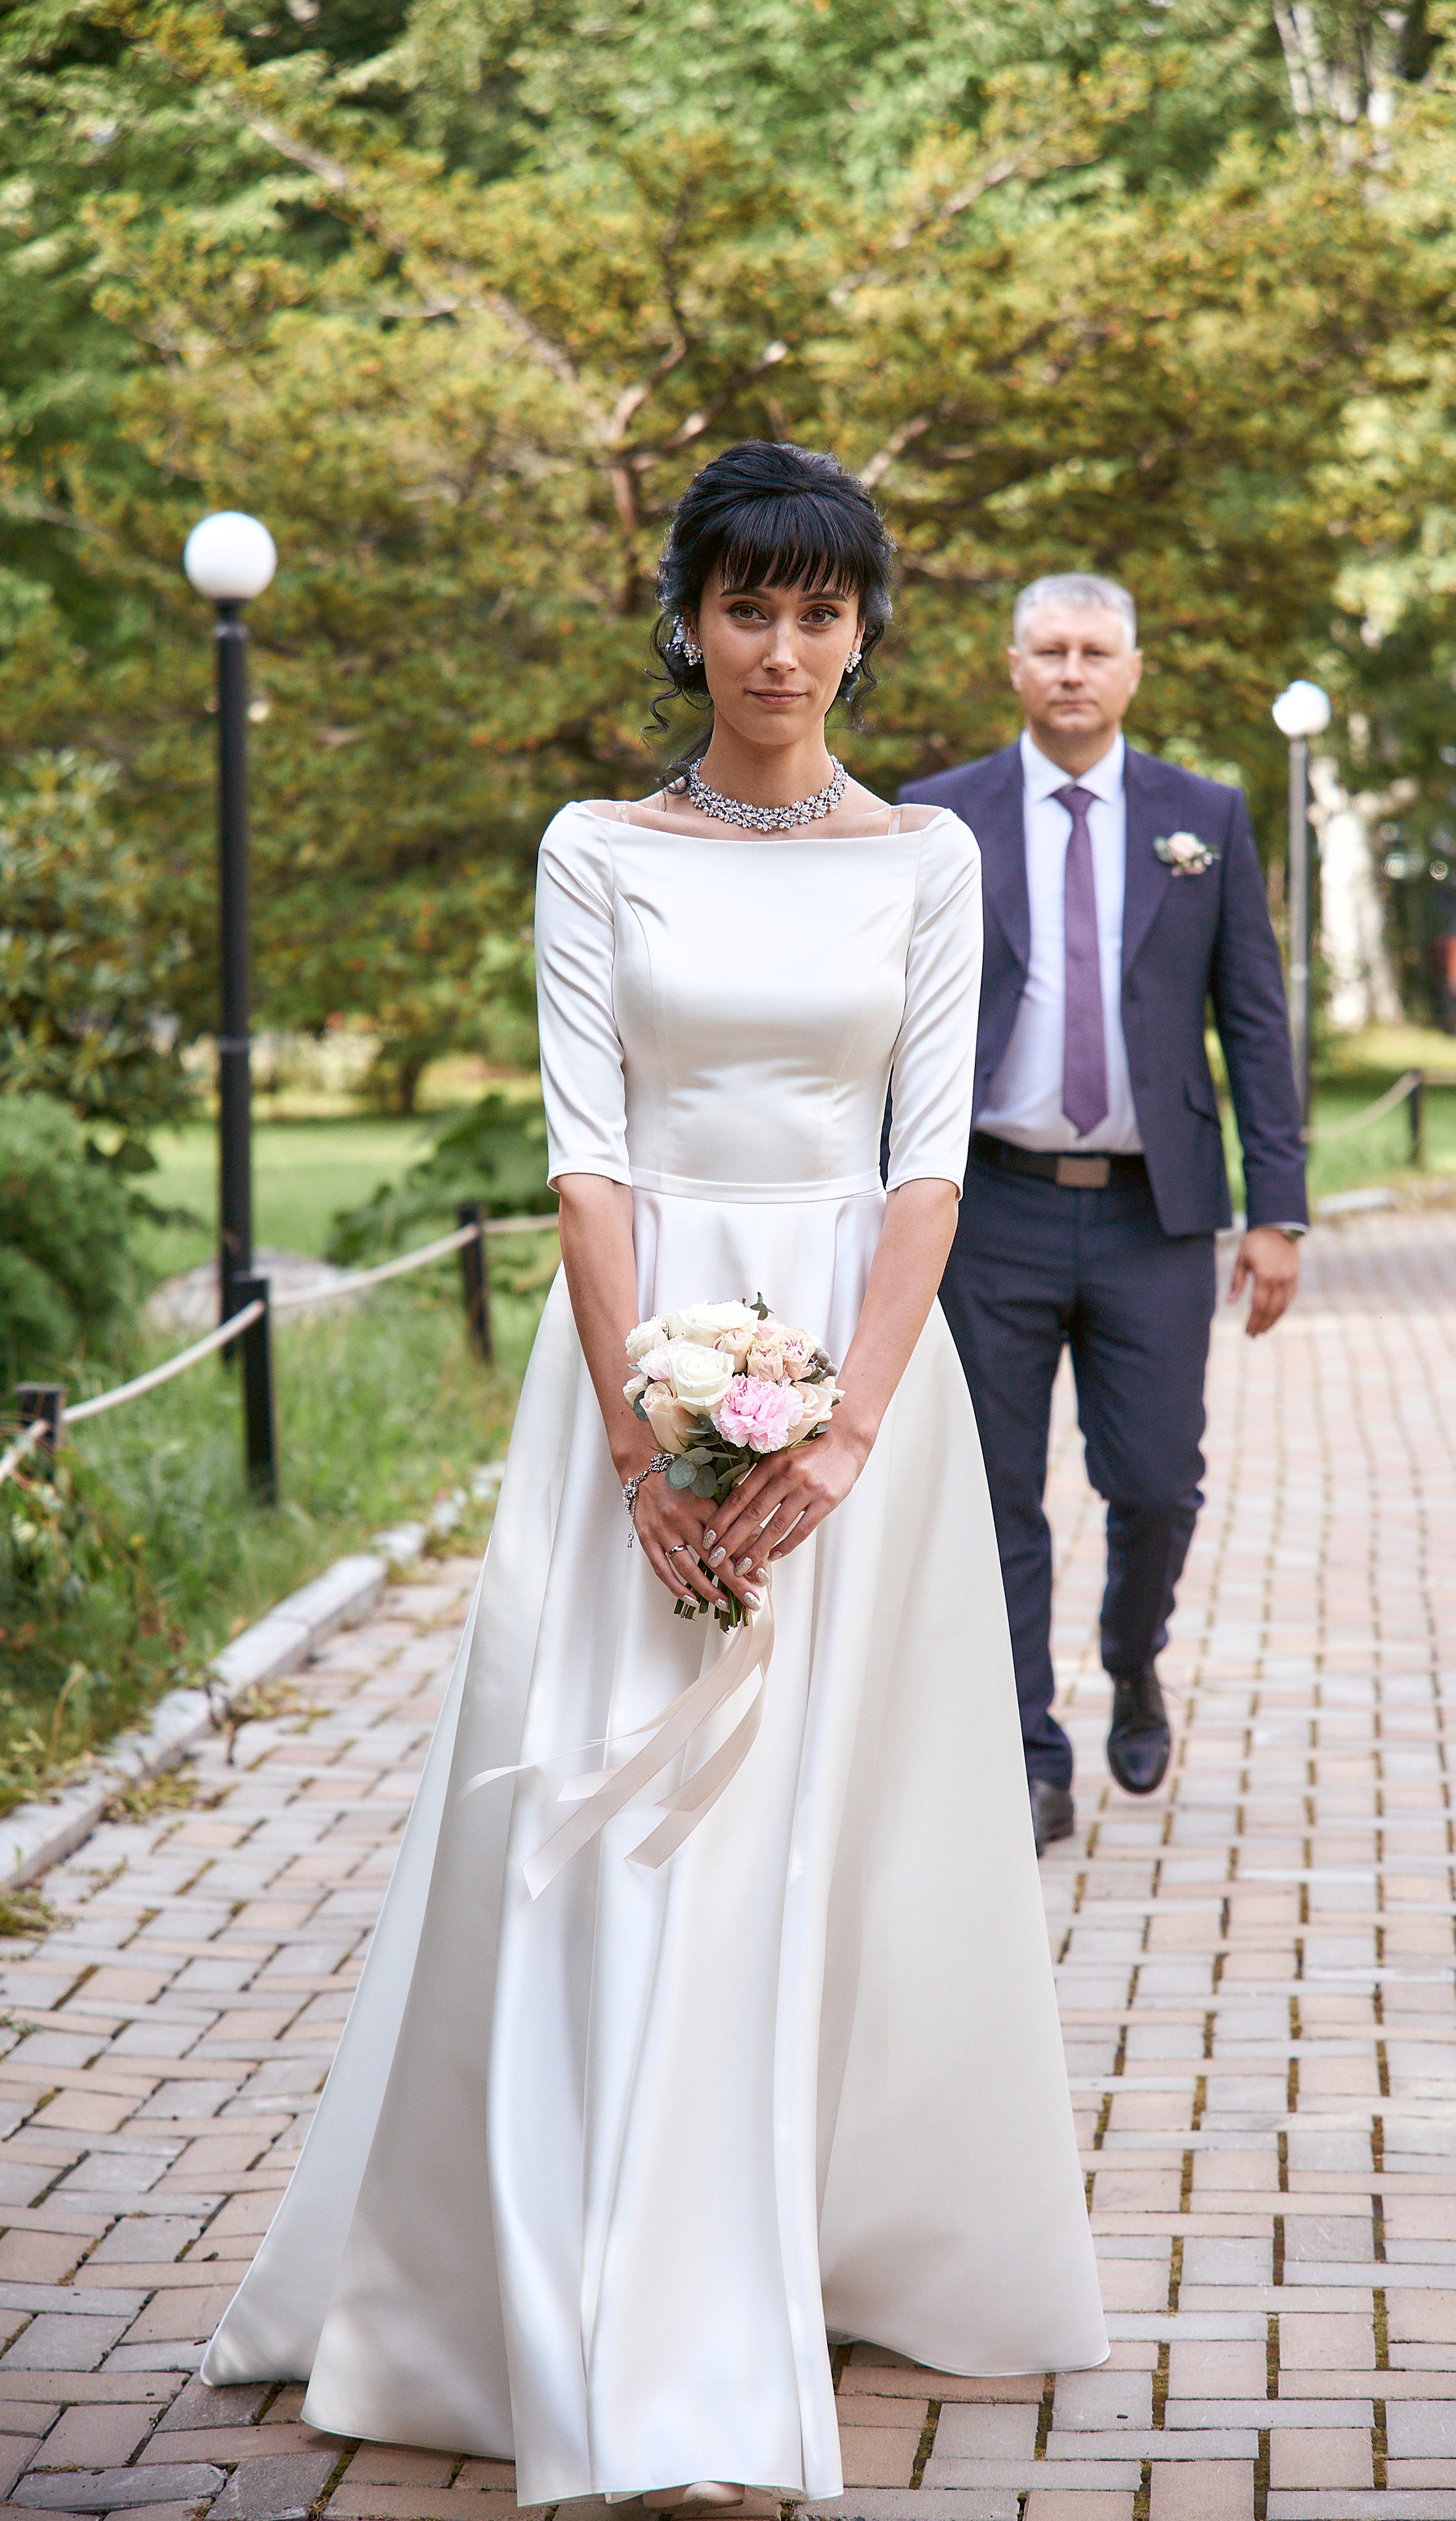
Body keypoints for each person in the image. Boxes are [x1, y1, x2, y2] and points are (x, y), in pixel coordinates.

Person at [200, 447, 1106, 2507]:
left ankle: (791, 2251)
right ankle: (618, 2320)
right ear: (687, 617)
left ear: (869, 632)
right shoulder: (596, 846)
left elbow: (929, 1162)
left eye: (821, 612)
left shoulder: (930, 866)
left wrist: (849, 1427)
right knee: (624, 1826)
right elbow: (585, 1152)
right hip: (639, 1351)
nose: (782, 650)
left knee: (815, 1830)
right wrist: (641, 1433)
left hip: (865, 1380)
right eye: (745, 608)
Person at [901, 574, 1306, 1855]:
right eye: (1048, 650)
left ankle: (1132, 1659)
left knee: (1154, 1485)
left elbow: (1250, 1017)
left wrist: (1276, 1210)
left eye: (1094, 651)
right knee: (993, 1497)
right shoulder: (934, 819)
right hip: (989, 1211)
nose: (1071, 671)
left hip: (1153, 1216)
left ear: (1132, 670)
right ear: (1010, 667)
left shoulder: (1205, 816)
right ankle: (1029, 1752)